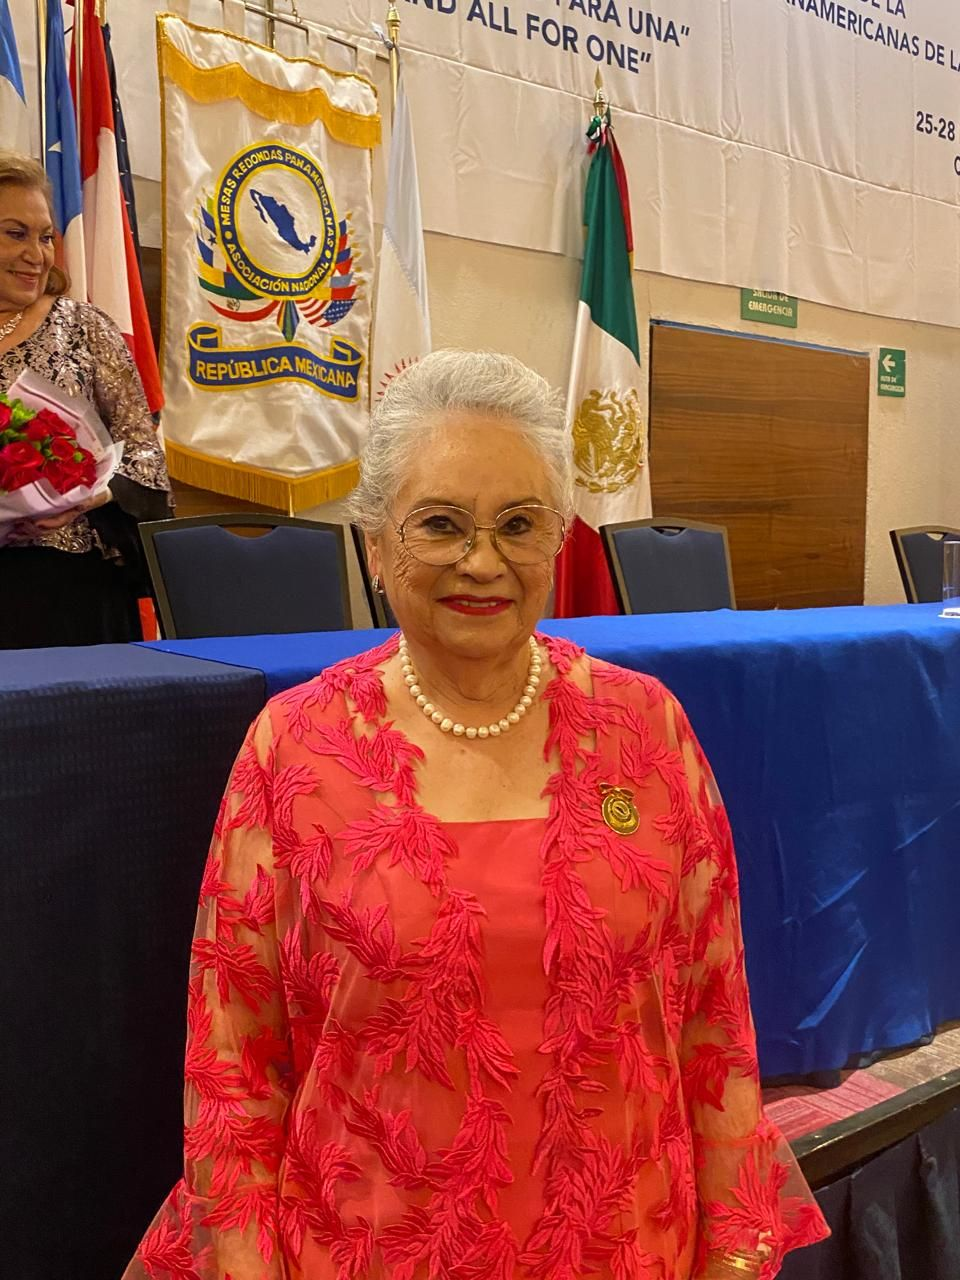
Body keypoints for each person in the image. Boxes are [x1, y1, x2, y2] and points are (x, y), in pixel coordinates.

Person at [124, 352, 828, 1279]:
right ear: (376, 543)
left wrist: (735, 1250)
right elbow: (233, 1069)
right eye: (441, 525)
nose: (482, 561)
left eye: (519, 525)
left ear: (559, 538)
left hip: (625, 1249)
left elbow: (712, 1019)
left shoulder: (646, 729)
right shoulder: (293, 747)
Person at [0, 151, 171, 648]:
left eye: (45, 235)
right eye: (16, 233)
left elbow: (146, 454)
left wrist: (85, 494)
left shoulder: (83, 326)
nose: (38, 253)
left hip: (69, 589)